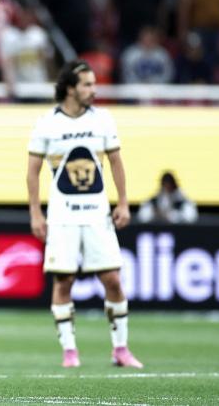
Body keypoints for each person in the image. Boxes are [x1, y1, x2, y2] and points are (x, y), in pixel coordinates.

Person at [26, 60, 143, 369]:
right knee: (63, 281)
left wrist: (123, 203)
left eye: (94, 84)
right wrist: (36, 214)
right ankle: (69, 352)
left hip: (97, 213)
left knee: (112, 279)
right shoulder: (47, 124)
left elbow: (116, 162)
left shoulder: (103, 120)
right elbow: (33, 173)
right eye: (88, 84)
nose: (94, 90)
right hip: (63, 215)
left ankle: (120, 349)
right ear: (70, 88)